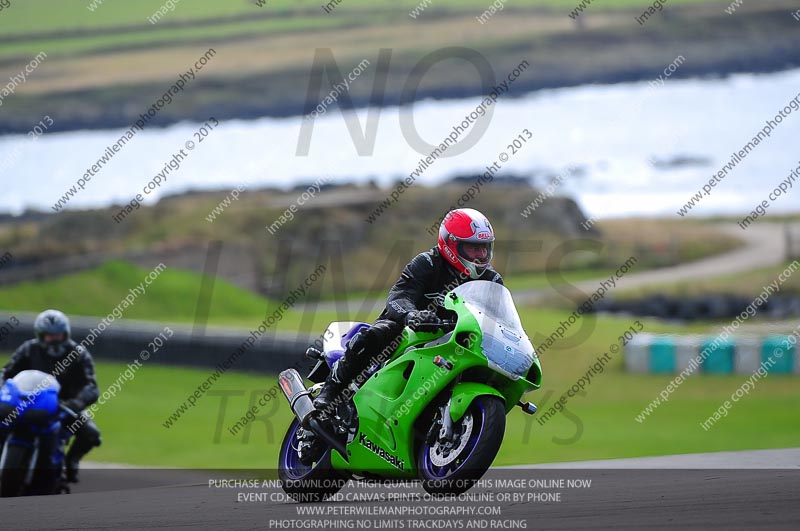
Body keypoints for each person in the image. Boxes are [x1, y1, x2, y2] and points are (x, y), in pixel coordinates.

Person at [312, 207, 503, 420]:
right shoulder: (427, 263)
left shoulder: (492, 280)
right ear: (450, 243)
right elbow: (399, 296)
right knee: (379, 333)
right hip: (408, 329)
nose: (481, 255)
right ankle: (331, 389)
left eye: (484, 248)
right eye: (473, 248)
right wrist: (412, 315)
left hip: (455, 339)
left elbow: (499, 317)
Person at [0, 309, 101, 483]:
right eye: (48, 336)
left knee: (91, 433)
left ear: (66, 334)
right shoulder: (28, 349)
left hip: (63, 406)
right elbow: (6, 372)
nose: (54, 339)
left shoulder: (79, 354)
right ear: (40, 335)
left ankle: (71, 462)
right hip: (26, 402)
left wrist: (75, 403)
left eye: (59, 335)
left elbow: (91, 386)